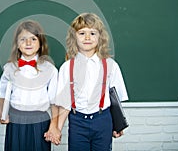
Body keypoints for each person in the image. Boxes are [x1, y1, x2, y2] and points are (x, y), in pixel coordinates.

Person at [45, 13, 128, 150]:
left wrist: (117, 124)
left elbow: (114, 98)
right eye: (82, 33)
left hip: (103, 120)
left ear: (100, 37)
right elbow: (65, 102)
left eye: (93, 33)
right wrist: (57, 129)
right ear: (74, 37)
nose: (87, 37)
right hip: (77, 122)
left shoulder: (110, 65)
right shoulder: (67, 67)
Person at [0, 20, 58, 151]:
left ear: (40, 43)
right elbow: (3, 92)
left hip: (40, 120)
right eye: (23, 39)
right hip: (15, 119)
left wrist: (54, 125)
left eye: (33, 39)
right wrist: (2, 111)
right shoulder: (9, 68)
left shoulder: (50, 69)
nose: (28, 43)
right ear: (17, 44)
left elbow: (54, 100)